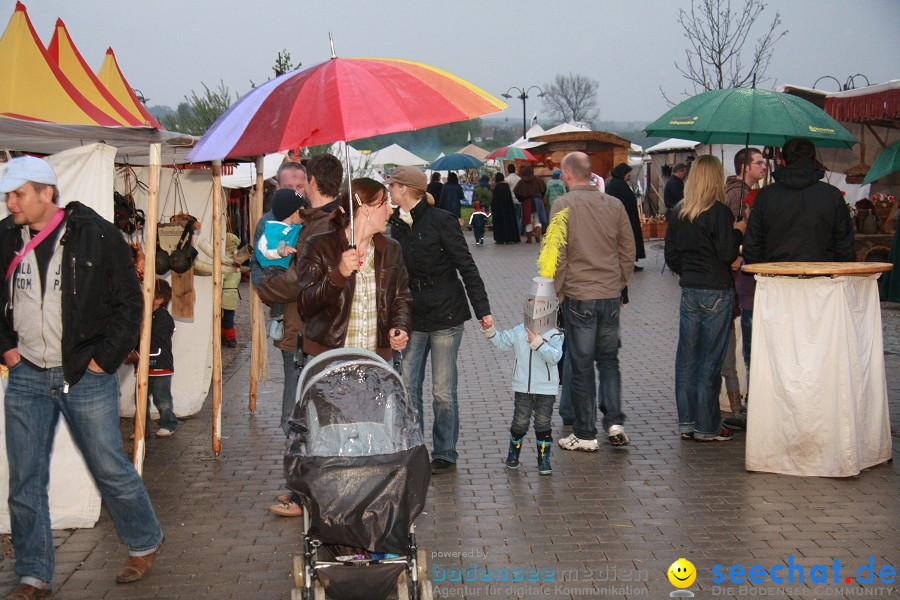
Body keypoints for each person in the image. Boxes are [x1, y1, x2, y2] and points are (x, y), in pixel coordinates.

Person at [0, 156, 164, 597]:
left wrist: (102, 362)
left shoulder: (98, 236)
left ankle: (144, 541)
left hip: (85, 375)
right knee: (24, 480)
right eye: (8, 194)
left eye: (18, 194)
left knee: (108, 467)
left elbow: (131, 303)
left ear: (46, 194)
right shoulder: (3, 237)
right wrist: (8, 351)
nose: (10, 202)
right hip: (27, 374)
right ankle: (33, 573)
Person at [389, 166, 493, 474]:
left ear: (406, 189)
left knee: (442, 391)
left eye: (393, 185)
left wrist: (483, 309)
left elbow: (467, 267)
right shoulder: (395, 224)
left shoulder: (441, 221)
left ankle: (445, 451)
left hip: (447, 314)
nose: (390, 190)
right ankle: (413, 449)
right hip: (413, 317)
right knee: (408, 386)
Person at [257, 153, 343, 517]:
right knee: (306, 414)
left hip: (310, 332)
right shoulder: (320, 221)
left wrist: (266, 285)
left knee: (300, 416)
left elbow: (299, 279)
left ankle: (305, 493)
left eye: (302, 181)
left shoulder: (323, 225)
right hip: (307, 329)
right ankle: (306, 488)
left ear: (312, 183)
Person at [547, 152, 635, 451]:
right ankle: (614, 421)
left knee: (582, 365)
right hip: (609, 295)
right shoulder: (614, 205)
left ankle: (585, 433)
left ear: (567, 175)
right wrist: (620, 284)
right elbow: (628, 249)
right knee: (609, 361)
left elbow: (557, 255)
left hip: (579, 295)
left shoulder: (562, 205)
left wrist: (556, 295)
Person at [664, 155, 745, 441]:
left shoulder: (679, 212)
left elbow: (671, 256)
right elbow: (727, 254)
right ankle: (707, 427)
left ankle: (687, 423)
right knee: (710, 362)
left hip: (690, 289)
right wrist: (737, 235)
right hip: (716, 289)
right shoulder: (720, 213)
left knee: (686, 360)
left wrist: (690, 271)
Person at [296, 177, 411, 359]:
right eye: (384, 205)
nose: (390, 210)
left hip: (376, 360)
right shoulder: (319, 245)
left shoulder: (391, 249)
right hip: (329, 359)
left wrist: (400, 326)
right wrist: (338, 274)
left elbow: (401, 297)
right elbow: (305, 306)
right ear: (365, 209)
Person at [482, 277, 563, 475]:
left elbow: (555, 358)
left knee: (543, 423)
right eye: (532, 302)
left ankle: (543, 460)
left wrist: (539, 343)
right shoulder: (520, 331)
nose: (536, 307)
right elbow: (501, 342)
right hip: (523, 388)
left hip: (545, 388)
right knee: (520, 422)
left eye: (542, 303)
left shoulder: (555, 334)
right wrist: (490, 330)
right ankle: (513, 455)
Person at [743, 138, 855, 264]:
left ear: (784, 162)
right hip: (821, 276)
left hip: (775, 277)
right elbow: (845, 248)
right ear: (813, 161)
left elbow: (752, 247)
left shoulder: (765, 195)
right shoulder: (832, 195)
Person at [256, 188, 306, 340]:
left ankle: (281, 320)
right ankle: (277, 319)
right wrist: (280, 250)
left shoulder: (295, 227)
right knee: (282, 289)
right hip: (272, 267)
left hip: (283, 266)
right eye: (302, 210)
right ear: (292, 213)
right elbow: (263, 247)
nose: (305, 212)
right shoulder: (274, 228)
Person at [607, 163, 646, 271]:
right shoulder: (618, 184)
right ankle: (627, 264)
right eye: (628, 173)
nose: (629, 175)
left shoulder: (617, 183)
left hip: (626, 219)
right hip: (625, 220)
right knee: (626, 243)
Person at [725, 148, 767, 220]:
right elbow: (739, 228)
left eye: (763, 163)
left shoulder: (738, 189)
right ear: (745, 167)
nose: (764, 167)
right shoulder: (739, 193)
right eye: (759, 163)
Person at [513, 166, 547, 243]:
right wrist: (541, 196)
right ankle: (537, 235)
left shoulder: (522, 181)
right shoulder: (538, 179)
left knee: (527, 220)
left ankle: (529, 239)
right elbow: (544, 188)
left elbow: (516, 191)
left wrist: (521, 199)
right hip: (537, 201)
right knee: (538, 219)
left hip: (526, 201)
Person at [221, 233, 241, 348]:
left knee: (223, 317)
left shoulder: (225, 258)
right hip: (233, 292)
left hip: (224, 290)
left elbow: (223, 276)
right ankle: (229, 337)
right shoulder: (237, 257)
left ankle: (229, 338)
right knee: (229, 315)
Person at [490, 173, 520, 244]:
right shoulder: (506, 186)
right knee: (509, 222)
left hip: (499, 210)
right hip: (508, 209)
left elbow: (495, 200)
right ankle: (511, 237)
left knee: (500, 224)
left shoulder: (497, 187)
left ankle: (501, 238)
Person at [505, 163, 523, 235]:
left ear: (508, 170)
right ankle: (518, 232)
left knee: (511, 218)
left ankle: (512, 233)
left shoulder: (506, 180)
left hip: (510, 201)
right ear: (515, 170)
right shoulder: (519, 179)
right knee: (518, 218)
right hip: (518, 200)